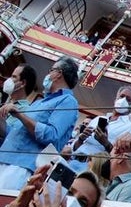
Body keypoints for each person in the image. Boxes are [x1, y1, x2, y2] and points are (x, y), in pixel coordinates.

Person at [0, 58, 80, 190]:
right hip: (4, 157)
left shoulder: (68, 101)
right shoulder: (39, 103)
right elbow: (12, 133)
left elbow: (51, 135)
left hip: (21, 166)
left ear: (58, 73)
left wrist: (20, 115)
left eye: (51, 70)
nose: (48, 75)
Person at [63, 85, 131, 173]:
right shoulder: (98, 119)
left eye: (128, 99)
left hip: (92, 168)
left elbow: (119, 157)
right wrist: (81, 138)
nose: (123, 100)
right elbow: (75, 147)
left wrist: (105, 142)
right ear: (116, 98)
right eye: (122, 96)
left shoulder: (130, 128)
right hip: (73, 160)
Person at [0, 64, 38, 148]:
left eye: (14, 77)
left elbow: (8, 133)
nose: (9, 80)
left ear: (23, 83)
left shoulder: (24, 110)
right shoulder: (6, 102)